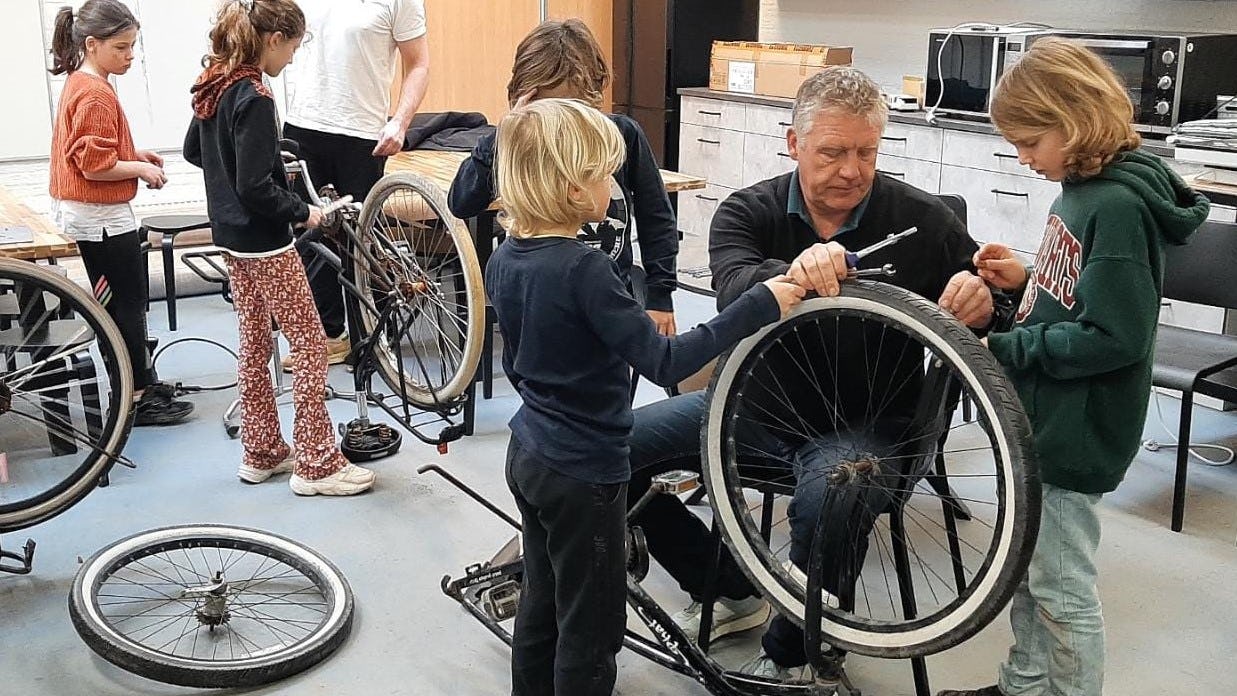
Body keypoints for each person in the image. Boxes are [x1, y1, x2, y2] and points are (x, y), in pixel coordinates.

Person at [624, 66, 1000, 682]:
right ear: (794, 142)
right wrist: (795, 270)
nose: (851, 169)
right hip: (751, 411)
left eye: (866, 152)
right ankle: (724, 583)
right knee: (604, 450)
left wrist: (983, 298)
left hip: (866, 428)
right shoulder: (747, 211)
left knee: (834, 496)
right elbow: (734, 289)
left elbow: (987, 296)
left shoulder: (922, 220)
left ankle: (794, 654)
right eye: (832, 151)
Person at [487, 98, 802, 696]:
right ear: (573, 186)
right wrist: (757, 304)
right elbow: (665, 361)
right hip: (585, 473)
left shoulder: (505, 259)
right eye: (605, 174)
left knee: (543, 602)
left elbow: (517, 366)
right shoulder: (585, 270)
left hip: (528, 453)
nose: (614, 185)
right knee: (593, 626)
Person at [936, 38, 1209, 696]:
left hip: (1075, 429)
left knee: (1061, 592)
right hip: (1048, 418)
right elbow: (1082, 293)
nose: (1022, 157)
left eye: (1029, 141)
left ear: (1073, 118)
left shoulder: (1112, 205)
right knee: (1033, 576)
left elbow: (1112, 334)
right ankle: (1023, 685)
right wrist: (1026, 278)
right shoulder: (1079, 193)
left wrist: (1002, 348)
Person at [184, 0, 376, 497]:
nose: (291, 58)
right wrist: (303, 211)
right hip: (266, 244)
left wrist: (242, 169)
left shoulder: (215, 83)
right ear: (274, 40)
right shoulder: (254, 95)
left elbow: (193, 150)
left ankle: (262, 450)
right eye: (293, 47)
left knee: (253, 345)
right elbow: (255, 188)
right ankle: (316, 463)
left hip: (230, 239)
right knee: (310, 346)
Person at [449, 19, 680, 336]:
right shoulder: (518, 139)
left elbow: (656, 217)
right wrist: (506, 132)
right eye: (547, 107)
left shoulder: (621, 134)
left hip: (610, 298)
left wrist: (660, 294)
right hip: (539, 303)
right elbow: (462, 203)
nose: (559, 121)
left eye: (571, 108)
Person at [47, 0, 194, 426]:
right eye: (122, 48)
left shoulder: (85, 82)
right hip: (98, 217)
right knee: (123, 306)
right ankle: (137, 394)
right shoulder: (94, 92)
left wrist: (133, 154)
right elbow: (94, 165)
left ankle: (140, 379)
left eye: (132, 47)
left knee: (128, 301)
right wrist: (141, 168)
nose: (130, 56)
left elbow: (97, 151)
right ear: (92, 45)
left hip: (99, 212)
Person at [279, 0, 431, 369]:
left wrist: (401, 121)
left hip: (362, 133)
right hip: (303, 126)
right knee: (310, 237)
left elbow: (419, 64)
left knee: (358, 242)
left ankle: (372, 336)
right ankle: (328, 335)